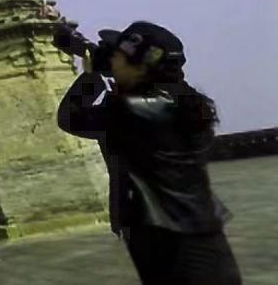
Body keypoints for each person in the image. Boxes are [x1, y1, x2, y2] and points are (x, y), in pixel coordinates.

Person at [56, 20, 242, 284]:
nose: (112, 61)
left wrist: (90, 75)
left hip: (175, 247)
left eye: (118, 56)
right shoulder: (180, 99)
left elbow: (71, 117)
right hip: (188, 236)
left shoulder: (140, 111)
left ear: (141, 67)